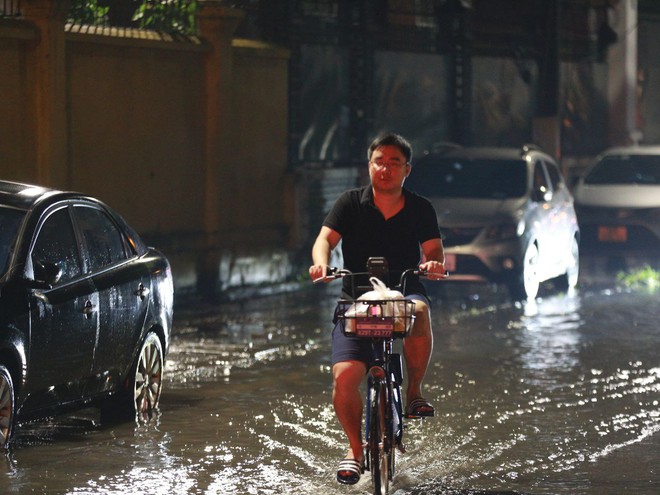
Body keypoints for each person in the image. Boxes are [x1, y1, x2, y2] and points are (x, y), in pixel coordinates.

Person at [308, 132, 446, 485]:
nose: (385, 168)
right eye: (379, 161)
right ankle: (355, 450)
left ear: (407, 170)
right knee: (344, 378)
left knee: (420, 312)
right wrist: (321, 265)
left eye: (394, 162)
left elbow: (433, 251)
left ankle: (414, 392)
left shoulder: (420, 207)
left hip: (404, 291)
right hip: (356, 298)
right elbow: (325, 239)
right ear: (369, 166)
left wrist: (431, 265)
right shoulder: (350, 203)